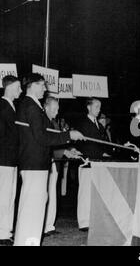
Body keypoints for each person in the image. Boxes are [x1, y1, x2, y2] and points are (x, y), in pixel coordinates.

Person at [14, 73, 84, 246]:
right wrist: (68, 135)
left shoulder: (31, 105)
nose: (45, 89)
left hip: (35, 162)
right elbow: (41, 137)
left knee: (35, 203)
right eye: (42, 85)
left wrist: (66, 143)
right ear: (33, 85)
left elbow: (42, 135)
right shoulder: (31, 106)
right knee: (33, 205)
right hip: (34, 163)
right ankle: (27, 242)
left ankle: (29, 241)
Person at [43, 97, 82, 236]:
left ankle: (49, 225)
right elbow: (46, 145)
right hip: (47, 163)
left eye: (58, 108)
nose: (57, 111)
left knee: (52, 195)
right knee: (46, 195)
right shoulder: (44, 122)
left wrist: (69, 150)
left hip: (55, 164)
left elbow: (57, 143)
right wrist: (63, 151)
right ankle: (44, 226)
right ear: (46, 107)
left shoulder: (53, 123)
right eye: (55, 108)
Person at [0, 75, 21, 246]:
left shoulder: (10, 106)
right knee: (3, 196)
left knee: (9, 196)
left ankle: (6, 231)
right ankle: (0, 233)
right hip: (4, 157)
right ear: (9, 88)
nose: (21, 90)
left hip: (10, 158)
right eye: (18, 87)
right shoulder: (3, 106)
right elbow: (8, 135)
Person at [75, 98, 109, 231]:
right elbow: (83, 144)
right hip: (87, 162)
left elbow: (103, 144)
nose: (99, 109)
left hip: (98, 163)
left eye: (100, 107)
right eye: (96, 107)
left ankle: (92, 219)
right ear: (88, 107)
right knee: (85, 192)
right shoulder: (82, 123)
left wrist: (105, 153)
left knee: (94, 193)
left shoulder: (100, 126)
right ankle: (84, 222)